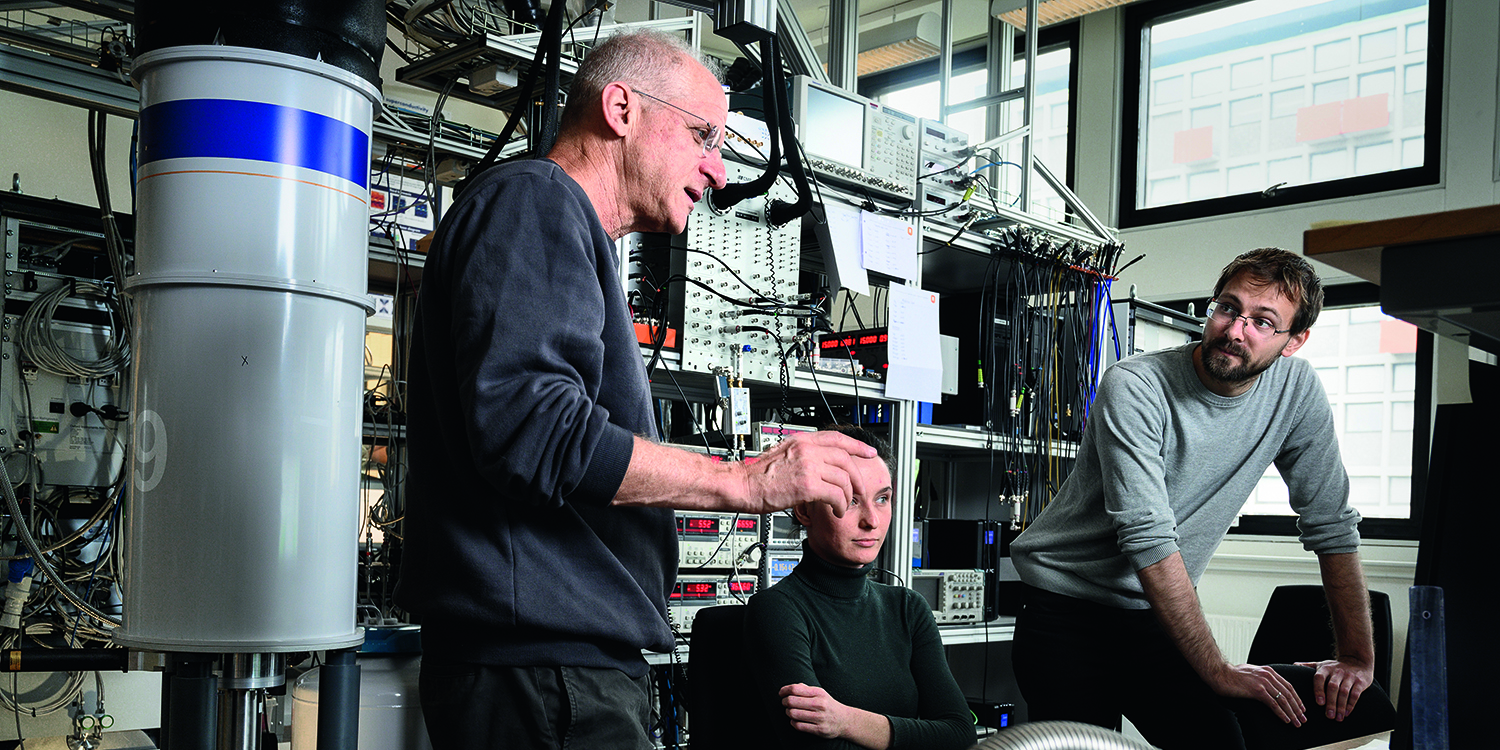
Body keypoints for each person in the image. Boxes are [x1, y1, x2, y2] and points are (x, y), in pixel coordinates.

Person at [393, 31, 882, 750]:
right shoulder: (537, 202)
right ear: (619, 108)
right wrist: (743, 483)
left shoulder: (557, 225)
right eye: (701, 135)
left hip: (554, 674)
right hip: (543, 679)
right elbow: (535, 431)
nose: (717, 170)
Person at [1009, 248, 1396, 750]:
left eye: (1262, 321)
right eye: (1228, 308)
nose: (1236, 330)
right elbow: (1148, 539)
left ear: (1294, 341)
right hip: (1065, 610)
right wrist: (1218, 670)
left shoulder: (1296, 392)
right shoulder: (1136, 386)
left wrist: (1356, 658)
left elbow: (1332, 524)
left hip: (1152, 615)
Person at [744, 425, 976, 750]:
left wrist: (845, 720)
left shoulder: (909, 609)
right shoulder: (777, 611)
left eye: (882, 498)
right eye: (850, 500)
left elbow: (960, 734)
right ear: (804, 509)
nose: (872, 520)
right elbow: (816, 748)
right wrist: (918, 737)